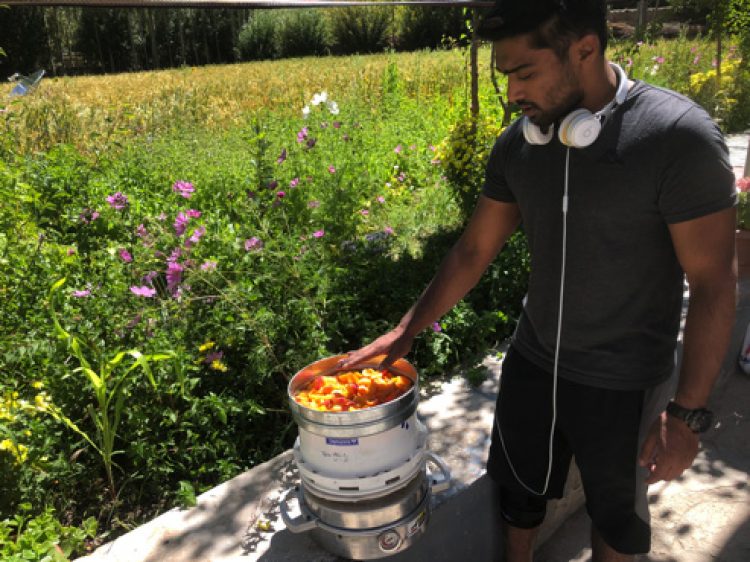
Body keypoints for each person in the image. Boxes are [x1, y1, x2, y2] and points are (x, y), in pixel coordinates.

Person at [339, 0, 737, 560]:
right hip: (533, 360)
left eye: (525, 73)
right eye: (506, 77)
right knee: (519, 494)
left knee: (617, 519)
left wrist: (687, 412)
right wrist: (406, 330)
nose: (512, 95)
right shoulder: (521, 146)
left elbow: (715, 282)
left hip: (624, 381)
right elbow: (474, 249)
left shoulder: (677, 138)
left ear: (586, 49)